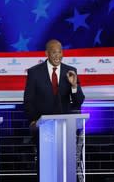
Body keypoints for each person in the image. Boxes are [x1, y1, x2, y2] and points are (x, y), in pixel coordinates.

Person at [23, 39, 85, 175]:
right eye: (54, 52)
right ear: (47, 53)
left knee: (64, 164)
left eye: (60, 52)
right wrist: (33, 120)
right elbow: (28, 100)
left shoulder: (70, 71)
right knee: (45, 164)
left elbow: (78, 101)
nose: (58, 55)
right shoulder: (34, 72)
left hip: (65, 127)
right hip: (43, 126)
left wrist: (74, 85)